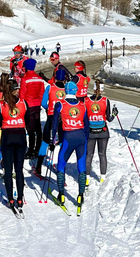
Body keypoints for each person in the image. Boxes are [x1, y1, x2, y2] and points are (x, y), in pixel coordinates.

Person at [51, 81, 89, 209]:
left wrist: (53, 139)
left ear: (66, 91)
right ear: (75, 91)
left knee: (61, 164)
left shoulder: (60, 104)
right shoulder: (82, 105)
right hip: (81, 137)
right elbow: (87, 126)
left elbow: (55, 124)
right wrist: (86, 140)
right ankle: (80, 195)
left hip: (68, 137)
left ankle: (61, 195)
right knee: (81, 166)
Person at [0, 79, 29, 209]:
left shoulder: (2, 104)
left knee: (8, 170)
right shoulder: (23, 103)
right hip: (20, 136)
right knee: (19, 169)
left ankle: (10, 199)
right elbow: (28, 119)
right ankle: (20, 198)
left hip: (7, 137)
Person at [85, 80, 117, 187]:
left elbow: (84, 118)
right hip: (103, 131)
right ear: (102, 89)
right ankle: (102, 177)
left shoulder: (87, 101)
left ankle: (87, 178)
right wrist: (114, 113)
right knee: (102, 154)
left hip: (90, 132)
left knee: (89, 155)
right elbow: (109, 118)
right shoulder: (105, 100)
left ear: (93, 88)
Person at [34, 69, 66, 176]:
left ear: (55, 78)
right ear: (65, 79)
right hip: (63, 119)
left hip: (51, 117)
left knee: (45, 141)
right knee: (61, 143)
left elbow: (43, 103)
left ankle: (38, 167)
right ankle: (60, 170)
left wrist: (49, 108)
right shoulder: (67, 89)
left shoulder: (50, 87)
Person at [19, 59, 45, 159]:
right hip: (37, 105)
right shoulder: (39, 78)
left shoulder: (25, 79)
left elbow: (22, 95)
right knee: (38, 129)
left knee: (30, 130)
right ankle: (37, 149)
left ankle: (30, 150)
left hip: (28, 106)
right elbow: (41, 93)